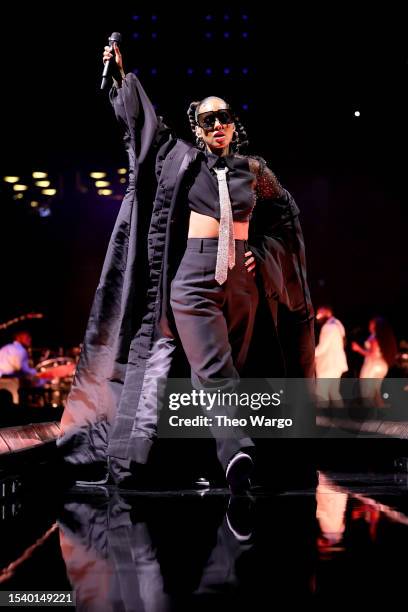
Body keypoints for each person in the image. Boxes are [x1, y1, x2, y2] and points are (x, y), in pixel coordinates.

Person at [57, 42, 315, 491]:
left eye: (224, 117)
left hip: (241, 284)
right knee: (214, 370)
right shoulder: (184, 162)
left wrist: (267, 253)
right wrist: (122, 78)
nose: (217, 124)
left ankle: (212, 460)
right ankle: (236, 454)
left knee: (216, 373)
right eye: (207, 119)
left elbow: (289, 215)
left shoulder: (254, 170)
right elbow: (146, 130)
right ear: (197, 128)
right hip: (193, 283)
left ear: (235, 124)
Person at [352, 316, 397, 407]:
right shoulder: (380, 337)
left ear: (376, 326)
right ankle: (382, 414)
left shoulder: (375, 338)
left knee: (366, 390)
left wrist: (358, 349)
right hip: (382, 365)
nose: (369, 325)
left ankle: (370, 414)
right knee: (376, 391)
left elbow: (372, 354)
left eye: (371, 323)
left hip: (373, 365)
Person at [314, 305, 348, 406]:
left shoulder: (329, 327)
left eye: (319, 314)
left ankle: (321, 418)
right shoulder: (338, 324)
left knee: (321, 392)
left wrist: (310, 355)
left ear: (327, 313)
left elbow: (323, 347)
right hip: (337, 364)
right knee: (334, 392)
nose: (317, 317)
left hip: (329, 364)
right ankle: (341, 417)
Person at [0, 331, 37, 404]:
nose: (30, 339)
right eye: (27, 337)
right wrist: (35, 372)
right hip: (11, 383)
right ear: (18, 337)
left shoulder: (5, 348)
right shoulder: (20, 350)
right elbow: (21, 369)